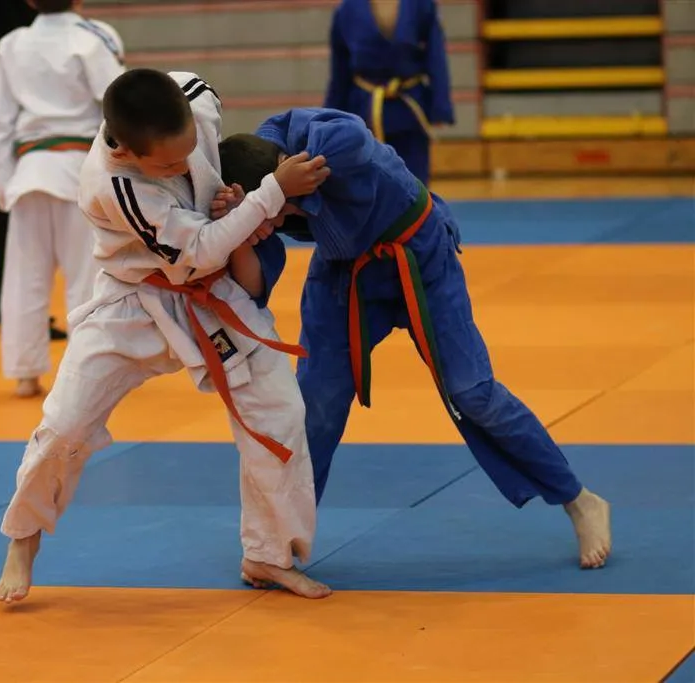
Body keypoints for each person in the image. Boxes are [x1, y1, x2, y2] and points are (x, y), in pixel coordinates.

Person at [215, 107, 613, 570]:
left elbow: (351, 133)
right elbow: (255, 283)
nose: (270, 225)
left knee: (472, 391)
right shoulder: (258, 186)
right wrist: (243, 224)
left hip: (419, 255)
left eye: (272, 213)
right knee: (315, 403)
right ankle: (281, 535)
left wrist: (293, 174)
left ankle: (579, 500)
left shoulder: (319, 152)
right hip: (345, 274)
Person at [0, 69, 334, 605]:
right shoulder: (115, 184)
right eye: (168, 166)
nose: (184, 166)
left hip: (212, 296)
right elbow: (201, 249)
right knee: (65, 425)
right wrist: (272, 192)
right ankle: (24, 534)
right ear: (126, 151)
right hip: (134, 299)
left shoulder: (195, 98)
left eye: (189, 150)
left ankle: (269, 553)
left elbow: (216, 182)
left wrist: (239, 189)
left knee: (280, 411)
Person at [0, 0, 126, 397]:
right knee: (88, 277)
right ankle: (87, 372)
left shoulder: (12, 44)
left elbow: (0, 123)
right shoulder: (94, 37)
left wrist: (3, 183)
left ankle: (25, 374)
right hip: (80, 170)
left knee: (24, 278)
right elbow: (119, 106)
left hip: (29, 172)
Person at [0, 0, 64, 338]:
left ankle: (4, 302)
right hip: (12, 88)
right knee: (17, 203)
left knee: (10, 200)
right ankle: (15, 308)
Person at [323, 0, 454, 185]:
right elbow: (340, 71)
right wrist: (331, 117)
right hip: (364, 112)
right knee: (368, 186)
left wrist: (440, 106)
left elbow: (436, 56)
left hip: (409, 110)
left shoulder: (422, 5)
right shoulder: (347, 9)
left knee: (414, 185)